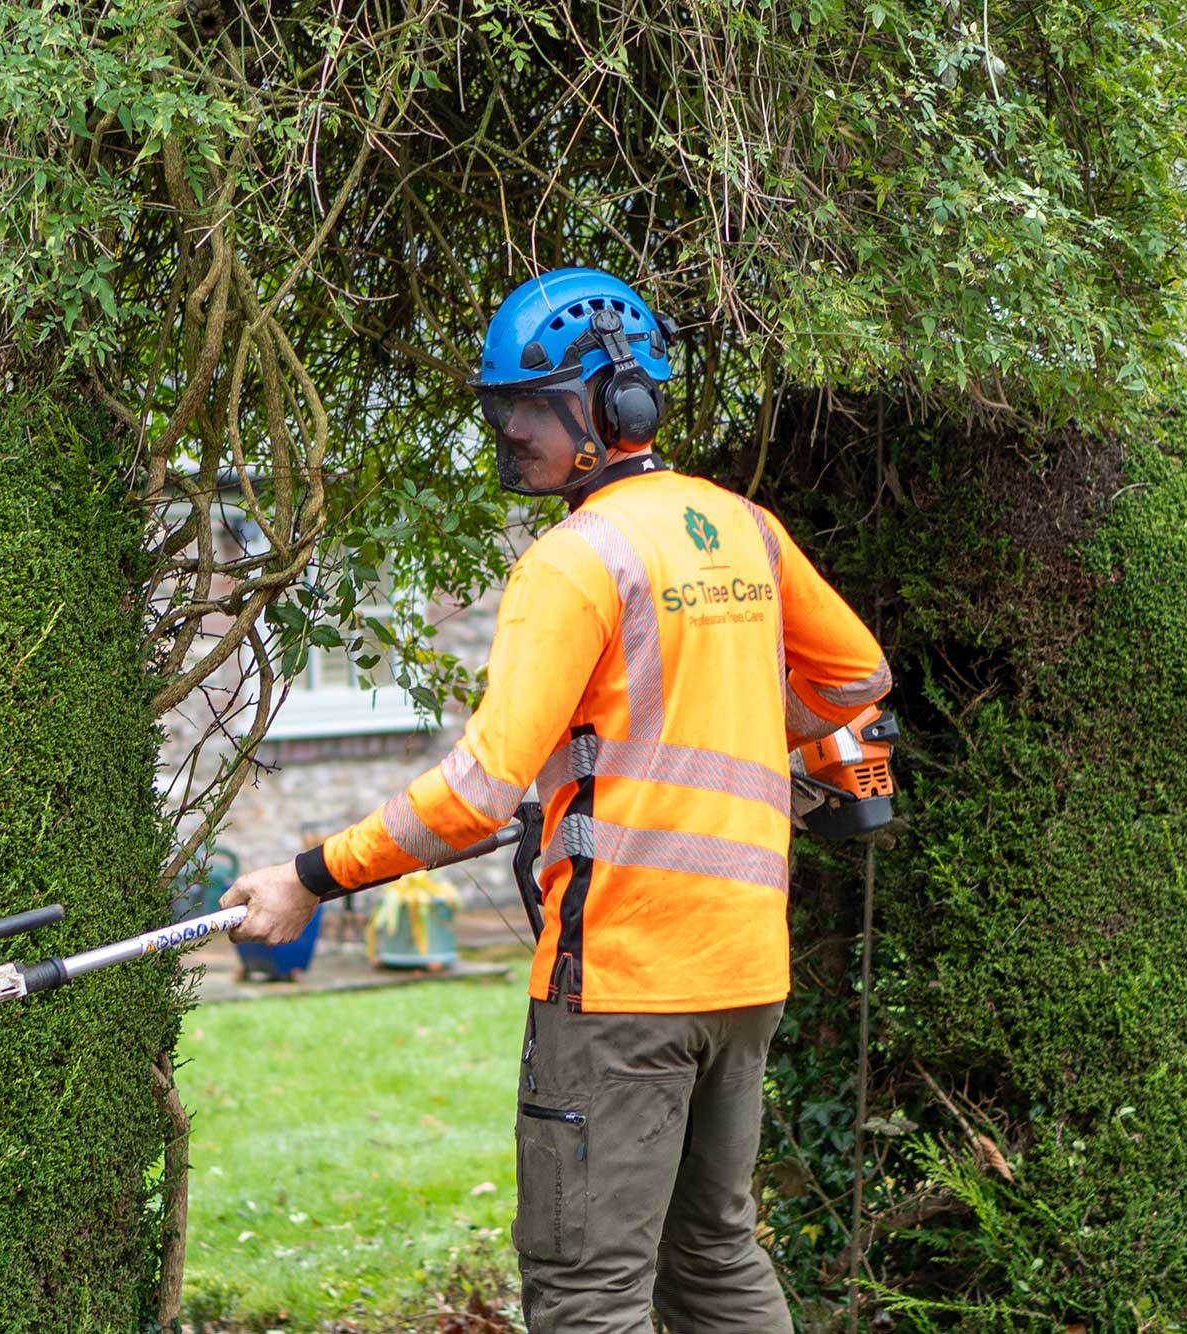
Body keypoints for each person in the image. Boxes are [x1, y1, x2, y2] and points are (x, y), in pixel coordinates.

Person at [221, 268, 891, 1333]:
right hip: (743, 970)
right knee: (714, 1258)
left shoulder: (573, 562)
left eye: (525, 406)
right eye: (499, 406)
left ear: (608, 406)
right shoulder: (741, 529)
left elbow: (479, 790)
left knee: (589, 1290)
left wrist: (310, 875)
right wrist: (759, 747)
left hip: (622, 982)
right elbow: (853, 680)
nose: (506, 429)